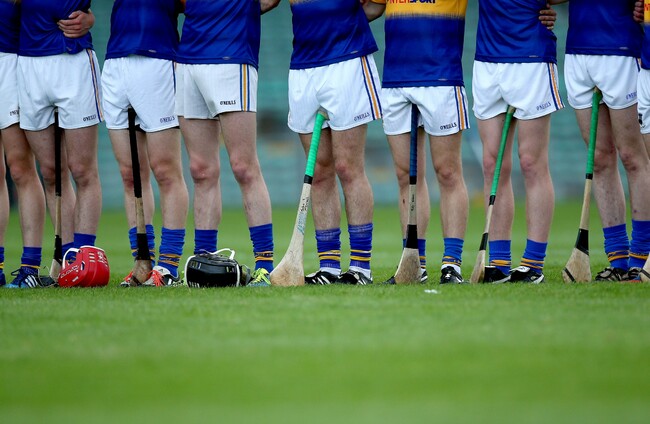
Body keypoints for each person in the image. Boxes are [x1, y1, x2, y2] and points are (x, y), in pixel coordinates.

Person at [363, 0, 470, 284]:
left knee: (448, 172)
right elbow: (371, 9)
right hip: (396, 81)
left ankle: (452, 264)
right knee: (406, 176)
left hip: (442, 77)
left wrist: (536, 9)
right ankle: (414, 264)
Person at [176, 0, 280, 286]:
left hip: (232, 56)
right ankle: (203, 262)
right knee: (200, 170)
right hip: (189, 58)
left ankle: (264, 266)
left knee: (244, 167)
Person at [281, 0, 381, 285]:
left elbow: (376, 5)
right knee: (320, 172)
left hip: (346, 60)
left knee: (349, 168)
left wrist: (341, 24)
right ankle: (329, 266)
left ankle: (360, 267)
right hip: (303, 66)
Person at [551, 0, 650, 282]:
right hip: (578, 52)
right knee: (599, 159)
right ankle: (618, 260)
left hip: (621, 48)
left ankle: (640, 257)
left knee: (632, 157)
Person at [1, 0, 93, 288]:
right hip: (27, 63)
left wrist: (88, 17)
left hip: (15, 61)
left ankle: (36, 264)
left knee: (22, 169)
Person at [473, 0, 563, 284]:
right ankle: (499, 264)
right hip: (487, 59)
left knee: (531, 162)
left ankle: (533, 264)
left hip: (531, 56)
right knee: (492, 164)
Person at [102, 0, 189, 287]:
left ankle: (168, 265)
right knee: (130, 175)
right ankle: (142, 261)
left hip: (158, 59)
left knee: (165, 170)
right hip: (115, 62)